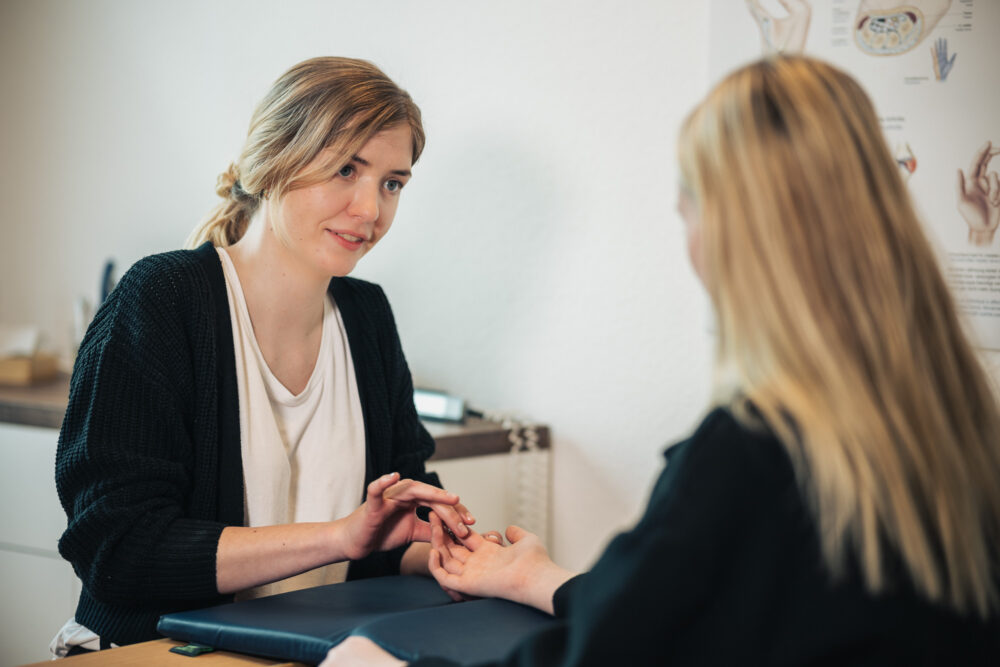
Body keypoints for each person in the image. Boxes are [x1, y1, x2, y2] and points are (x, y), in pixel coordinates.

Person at [322, 55, 1000, 666]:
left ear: (733, 228)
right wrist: (536, 577)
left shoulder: (753, 450)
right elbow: (683, 610)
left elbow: (619, 646)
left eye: (688, 209)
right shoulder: (954, 423)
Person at [51, 56, 477, 656]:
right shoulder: (164, 298)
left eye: (392, 183)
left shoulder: (367, 316)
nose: (370, 210)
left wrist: (452, 552)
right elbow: (118, 551)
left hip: (309, 648)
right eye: (346, 169)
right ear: (277, 159)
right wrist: (339, 538)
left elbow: (393, 523)